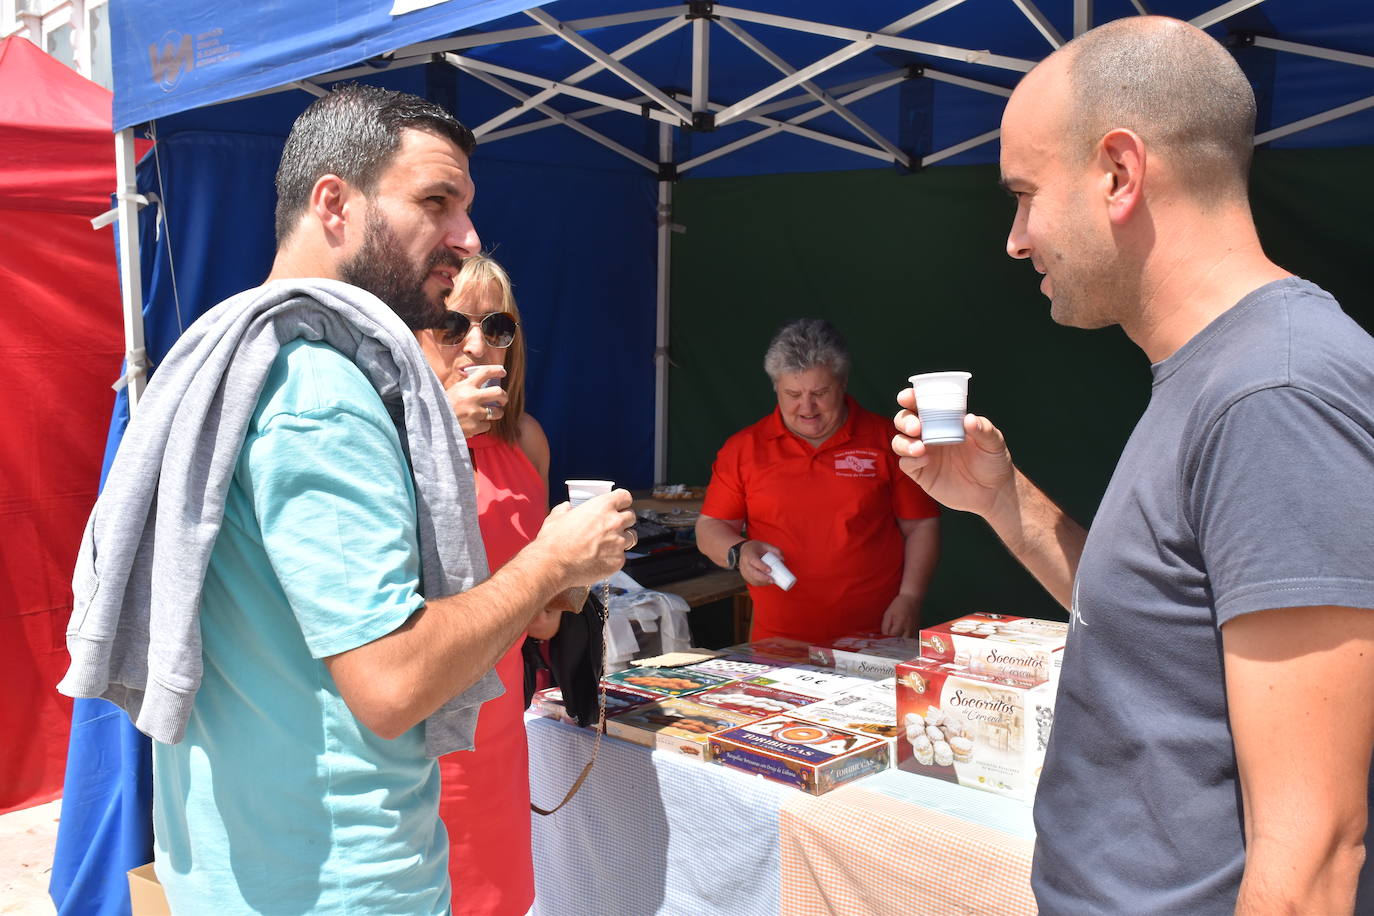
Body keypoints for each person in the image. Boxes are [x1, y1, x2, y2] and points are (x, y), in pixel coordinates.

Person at [58, 85, 637, 914]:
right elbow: (393, 680)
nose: (466, 235)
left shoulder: (243, 353)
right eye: (436, 201)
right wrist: (551, 561)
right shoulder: (319, 388)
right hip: (340, 884)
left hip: (249, 859)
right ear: (334, 203)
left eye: (466, 207)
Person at [891, 17, 1374, 914]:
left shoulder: (1275, 393)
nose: (1015, 238)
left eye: (1025, 194)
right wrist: (1004, 503)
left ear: (1119, 173)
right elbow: (1163, 634)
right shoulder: (1215, 370)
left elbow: (1312, 858)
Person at [414, 254, 552, 915]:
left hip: (502, 729)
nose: (477, 343)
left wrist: (577, 570)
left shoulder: (527, 440)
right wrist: (435, 430)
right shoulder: (384, 437)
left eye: (497, 325)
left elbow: (542, 617)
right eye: (453, 324)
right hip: (417, 741)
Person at [697, 318, 940, 644]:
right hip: (778, 642)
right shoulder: (744, 449)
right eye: (793, 394)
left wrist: (910, 597)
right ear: (776, 388)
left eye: (820, 393)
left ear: (843, 383)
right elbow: (710, 527)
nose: (806, 407)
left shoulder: (887, 440)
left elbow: (921, 525)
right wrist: (740, 552)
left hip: (876, 636)